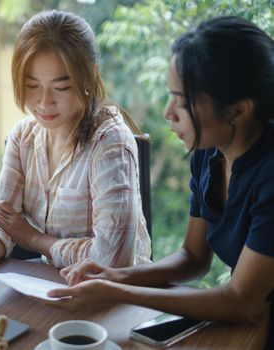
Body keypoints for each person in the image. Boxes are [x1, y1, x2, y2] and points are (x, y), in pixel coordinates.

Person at [45, 16, 274, 348]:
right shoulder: (208, 156)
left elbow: (241, 300)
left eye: (182, 100)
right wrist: (116, 275)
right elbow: (193, 258)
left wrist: (117, 291)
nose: (168, 112)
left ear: (238, 110)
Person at [0, 10, 151, 295]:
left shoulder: (109, 142)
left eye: (61, 87)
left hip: (118, 297)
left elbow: (112, 260)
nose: (44, 102)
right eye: (32, 86)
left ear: (89, 75)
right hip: (56, 288)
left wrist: (35, 240)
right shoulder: (23, 137)